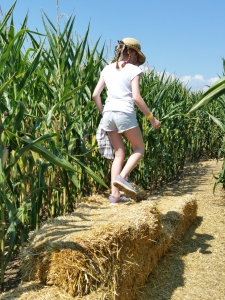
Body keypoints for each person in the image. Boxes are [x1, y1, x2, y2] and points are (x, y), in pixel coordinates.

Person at [92, 37, 161, 205]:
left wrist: (103, 112)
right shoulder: (133, 70)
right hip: (124, 112)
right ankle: (122, 178)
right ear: (131, 53)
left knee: (119, 153)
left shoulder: (107, 69)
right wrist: (151, 119)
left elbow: (95, 95)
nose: (138, 61)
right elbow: (136, 98)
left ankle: (114, 197)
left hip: (108, 114)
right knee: (139, 148)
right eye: (137, 56)